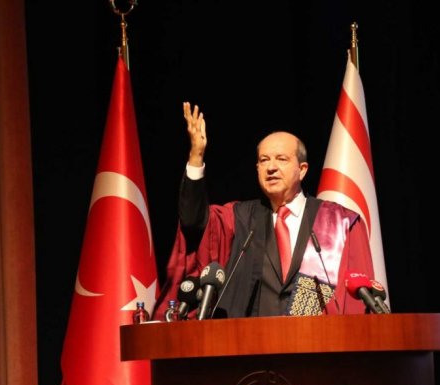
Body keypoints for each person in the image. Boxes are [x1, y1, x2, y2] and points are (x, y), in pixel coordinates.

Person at [154, 102, 377, 319]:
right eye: (264, 160)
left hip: (315, 340)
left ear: (302, 170)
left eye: (281, 159)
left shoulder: (338, 223)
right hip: (252, 340)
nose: (271, 167)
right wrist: (196, 156)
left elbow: (355, 303)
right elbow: (193, 220)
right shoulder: (240, 218)